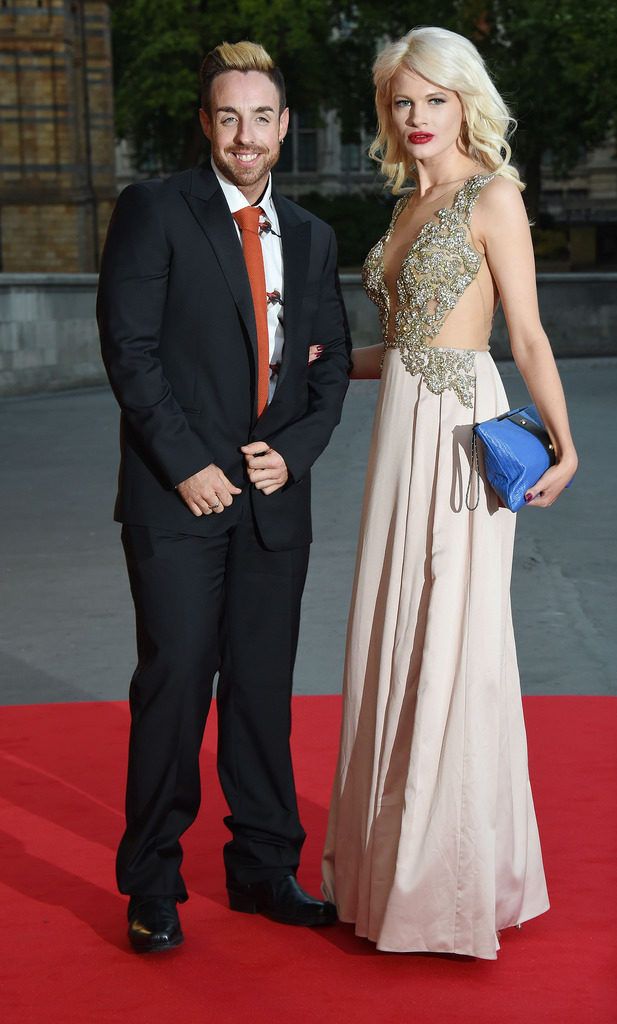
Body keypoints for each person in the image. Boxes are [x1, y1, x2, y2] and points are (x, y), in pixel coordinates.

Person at [321, 26, 578, 959]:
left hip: (466, 435)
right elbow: (406, 348)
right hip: (400, 435)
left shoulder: (492, 195)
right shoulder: (402, 209)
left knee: (452, 641)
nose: (417, 116)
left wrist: (565, 439)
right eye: (401, 101)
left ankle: (451, 888)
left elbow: (527, 336)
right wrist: (319, 361)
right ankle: (392, 874)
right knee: (395, 634)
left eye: (434, 97)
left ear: (465, 98)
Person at [97, 40, 350, 953]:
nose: (247, 135)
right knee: (173, 687)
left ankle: (263, 868)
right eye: (229, 117)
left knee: (262, 690)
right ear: (207, 123)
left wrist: (297, 455)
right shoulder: (156, 211)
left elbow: (328, 376)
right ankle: (153, 882)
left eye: (263, 118)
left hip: (275, 503)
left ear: (285, 127)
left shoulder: (316, 238)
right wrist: (184, 464)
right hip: (179, 502)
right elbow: (131, 351)